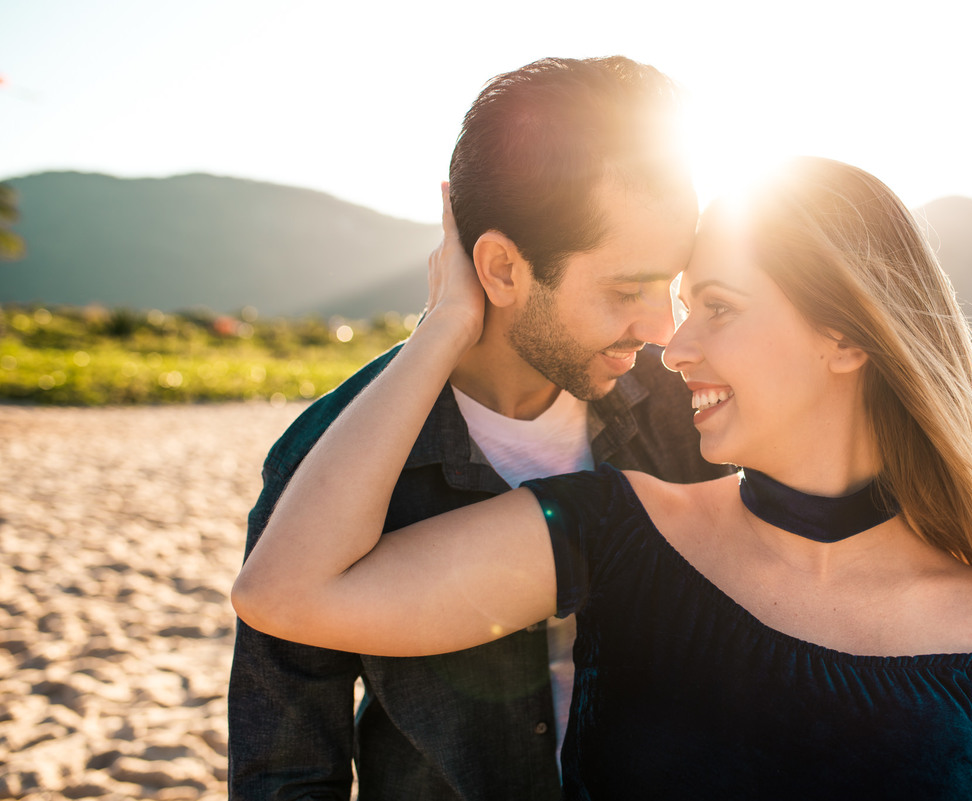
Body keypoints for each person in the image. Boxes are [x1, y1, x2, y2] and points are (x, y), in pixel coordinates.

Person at [233, 157, 972, 799]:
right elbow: (285, 594)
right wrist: (445, 326)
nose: (672, 346)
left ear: (848, 338)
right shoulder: (613, 527)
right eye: (674, 300)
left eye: (718, 305)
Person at [226, 56, 728, 801]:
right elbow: (287, 772)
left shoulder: (685, 406)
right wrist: (445, 327)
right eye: (628, 289)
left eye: (672, 286)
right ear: (500, 268)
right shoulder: (324, 462)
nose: (663, 328)